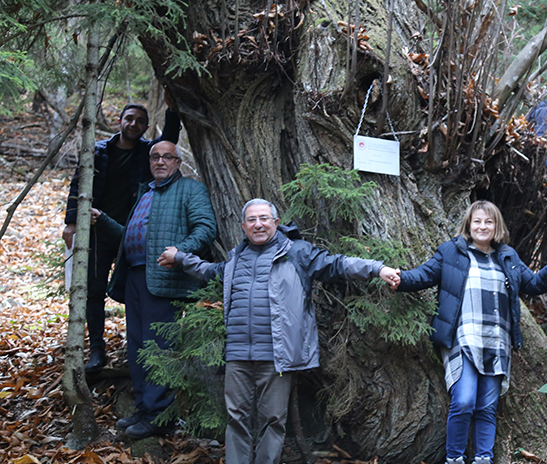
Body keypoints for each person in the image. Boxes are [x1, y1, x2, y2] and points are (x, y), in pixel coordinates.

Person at [157, 198, 400, 464]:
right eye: (252, 220)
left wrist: (378, 268)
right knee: (236, 418)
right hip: (237, 355)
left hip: (277, 355)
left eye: (264, 218)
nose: (258, 224)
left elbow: (337, 264)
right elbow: (208, 271)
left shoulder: (297, 253)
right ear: (243, 226)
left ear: (275, 222)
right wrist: (180, 258)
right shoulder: (235, 259)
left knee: (272, 419)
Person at [395, 200, 547, 464]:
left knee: (487, 408)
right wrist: (399, 278)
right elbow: (423, 276)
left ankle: (483, 458)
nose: (482, 226)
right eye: (477, 221)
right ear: (469, 224)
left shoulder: (508, 257)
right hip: (462, 339)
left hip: (497, 343)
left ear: (496, 226)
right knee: (464, 401)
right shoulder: (450, 252)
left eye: (488, 221)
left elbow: (534, 283)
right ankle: (454, 459)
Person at [97, 141, 217, 439]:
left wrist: (181, 253)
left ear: (178, 162)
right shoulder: (146, 192)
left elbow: (205, 228)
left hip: (166, 280)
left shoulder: (191, 190)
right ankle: (145, 408)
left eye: (167, 157)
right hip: (137, 277)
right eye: (155, 157)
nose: (160, 161)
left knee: (159, 348)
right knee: (137, 347)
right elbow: (131, 236)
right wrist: (104, 222)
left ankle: (161, 415)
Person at [62, 104, 182, 373]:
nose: (134, 124)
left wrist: (172, 107)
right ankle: (96, 349)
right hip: (98, 231)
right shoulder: (97, 151)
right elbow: (77, 184)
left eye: (140, 121)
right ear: (119, 121)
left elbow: (170, 138)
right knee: (93, 290)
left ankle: (140, 347)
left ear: (146, 127)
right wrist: (71, 221)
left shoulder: (147, 153)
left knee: (137, 291)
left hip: (133, 234)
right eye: (129, 118)